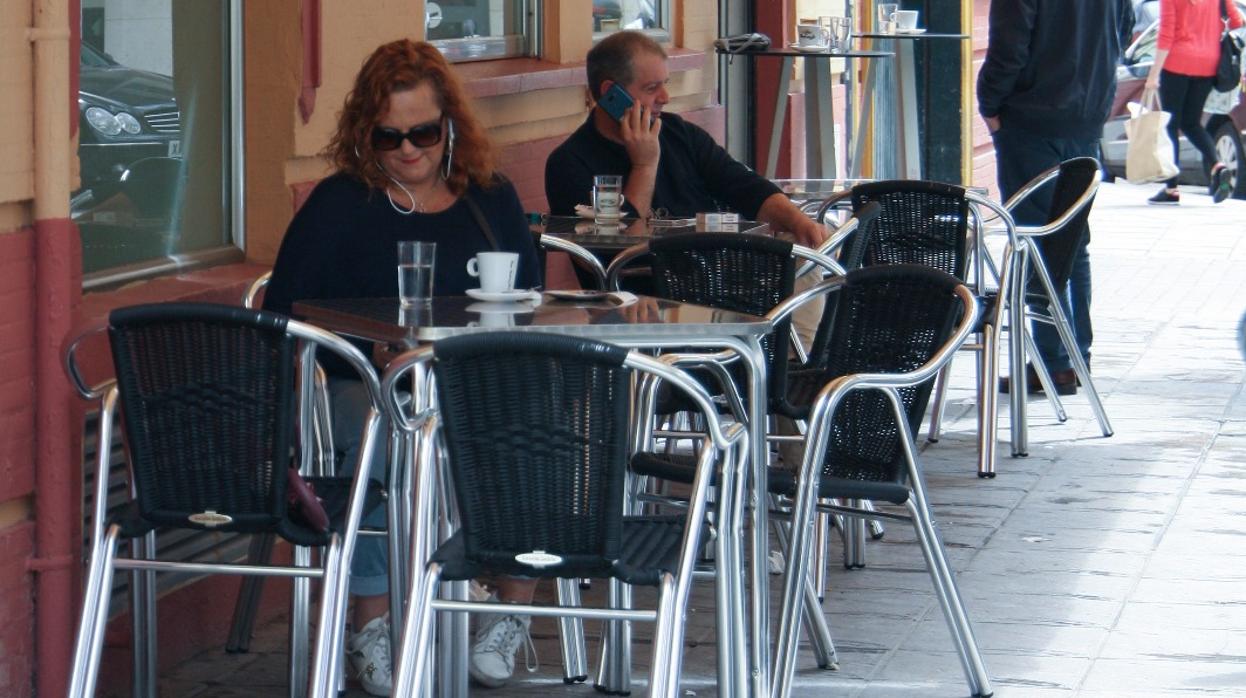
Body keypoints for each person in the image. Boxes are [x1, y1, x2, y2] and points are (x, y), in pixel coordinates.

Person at [263, 39, 540, 696]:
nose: (409, 150)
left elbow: (531, 300)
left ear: (450, 126)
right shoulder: (341, 204)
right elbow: (284, 315)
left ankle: (508, 609)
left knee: (548, 415)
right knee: (381, 429)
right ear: (367, 133)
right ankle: (372, 623)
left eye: (423, 132)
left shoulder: (489, 198)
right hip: (366, 385)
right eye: (390, 137)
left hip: (475, 383)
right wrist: (364, 345)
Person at [544, 31, 826, 250]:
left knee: (807, 247)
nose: (665, 98)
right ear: (610, 94)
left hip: (716, 270)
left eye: (665, 84)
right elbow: (611, 251)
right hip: (644, 292)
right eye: (652, 88)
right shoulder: (570, 163)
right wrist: (644, 166)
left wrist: (800, 222)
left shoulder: (679, 134)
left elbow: (745, 187)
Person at [978, 0, 1134, 395]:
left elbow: (1008, 48)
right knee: (1071, 241)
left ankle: (1055, 361)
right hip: (1085, 116)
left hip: (1033, 119)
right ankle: (1071, 356)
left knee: (1037, 240)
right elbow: (1124, 32)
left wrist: (991, 104)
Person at [1145, 0, 1244, 205]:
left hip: (1176, 63)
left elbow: (1166, 34)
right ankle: (1218, 165)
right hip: (1208, 64)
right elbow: (1237, 21)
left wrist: (1153, 75)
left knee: (1171, 124)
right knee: (1191, 122)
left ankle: (1171, 188)